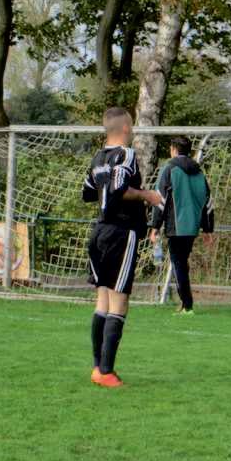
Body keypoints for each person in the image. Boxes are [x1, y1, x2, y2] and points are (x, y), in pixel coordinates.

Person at [82, 107, 162, 388]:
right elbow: (119, 188)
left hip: (100, 232)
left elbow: (87, 193)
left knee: (103, 301)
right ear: (126, 128)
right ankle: (106, 371)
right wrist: (147, 195)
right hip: (120, 232)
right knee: (119, 302)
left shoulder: (98, 158)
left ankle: (98, 368)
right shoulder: (125, 154)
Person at [148, 137, 214, 314]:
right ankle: (186, 303)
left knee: (178, 264)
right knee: (182, 263)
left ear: (173, 149)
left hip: (176, 226)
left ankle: (187, 304)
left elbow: (160, 199)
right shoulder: (199, 172)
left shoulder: (169, 169)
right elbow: (208, 201)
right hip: (192, 227)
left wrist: (155, 227)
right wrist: (207, 229)